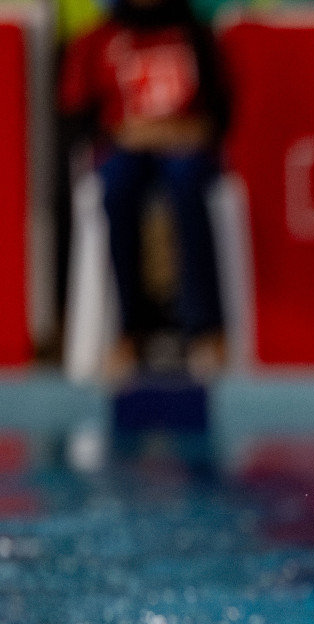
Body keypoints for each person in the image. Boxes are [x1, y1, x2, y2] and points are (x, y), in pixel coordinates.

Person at [58, 0, 229, 378]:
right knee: (116, 187)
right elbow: (77, 117)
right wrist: (121, 134)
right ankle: (128, 332)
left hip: (184, 145)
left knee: (186, 181)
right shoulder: (98, 39)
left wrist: (190, 132)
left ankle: (204, 331)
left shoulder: (195, 34)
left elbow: (222, 112)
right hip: (124, 145)